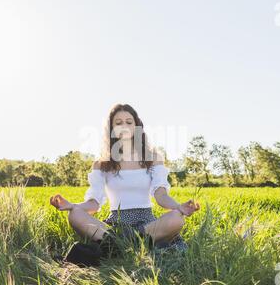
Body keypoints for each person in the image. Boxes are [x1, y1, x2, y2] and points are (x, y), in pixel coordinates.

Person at [50, 103, 200, 255]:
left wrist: (178, 207)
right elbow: (94, 203)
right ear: (112, 128)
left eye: (129, 122)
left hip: (147, 224)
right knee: (75, 214)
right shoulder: (101, 164)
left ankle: (118, 247)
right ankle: (133, 245)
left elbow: (160, 195)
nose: (124, 126)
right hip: (115, 225)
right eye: (118, 123)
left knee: (176, 218)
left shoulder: (153, 159)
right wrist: (72, 205)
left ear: (136, 126)